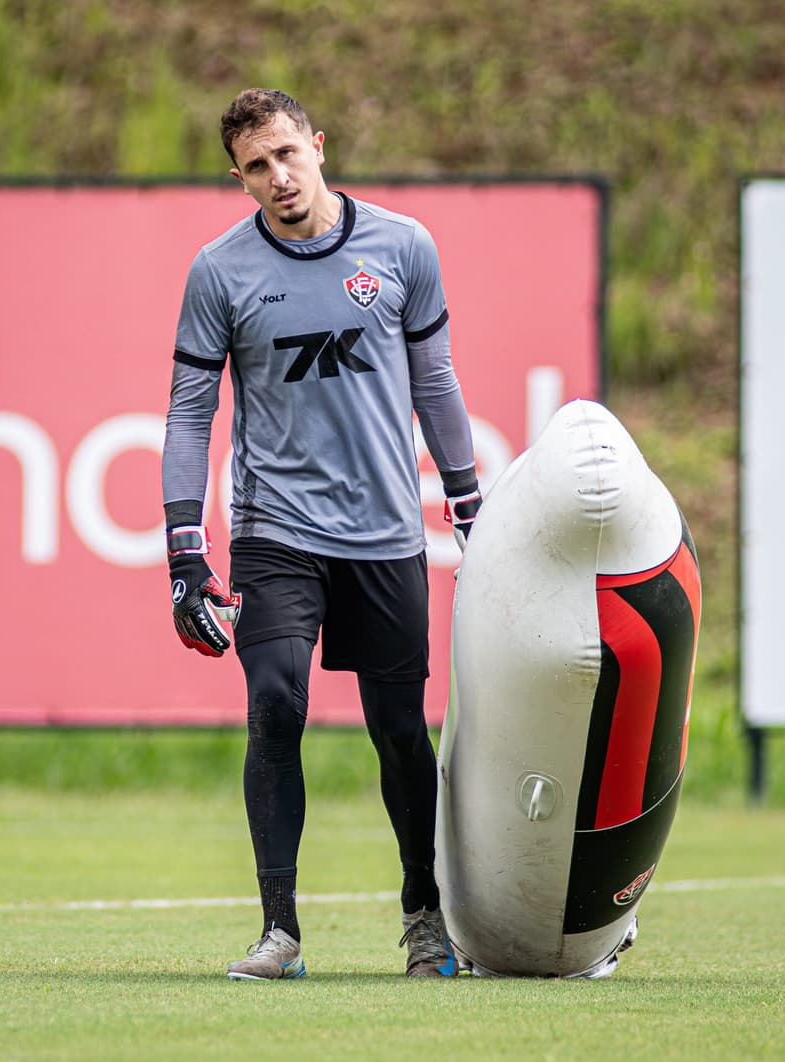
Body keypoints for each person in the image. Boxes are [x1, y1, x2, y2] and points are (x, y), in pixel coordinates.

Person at [161, 87, 482, 980]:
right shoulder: (219, 272)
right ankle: (279, 933)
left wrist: (469, 507)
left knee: (398, 730)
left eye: (288, 155)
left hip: (384, 533)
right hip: (276, 530)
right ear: (239, 177)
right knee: (275, 707)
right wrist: (185, 552)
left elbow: (437, 387)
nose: (278, 177)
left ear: (319, 146)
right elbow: (190, 415)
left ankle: (424, 920)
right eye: (256, 167)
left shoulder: (404, 247)